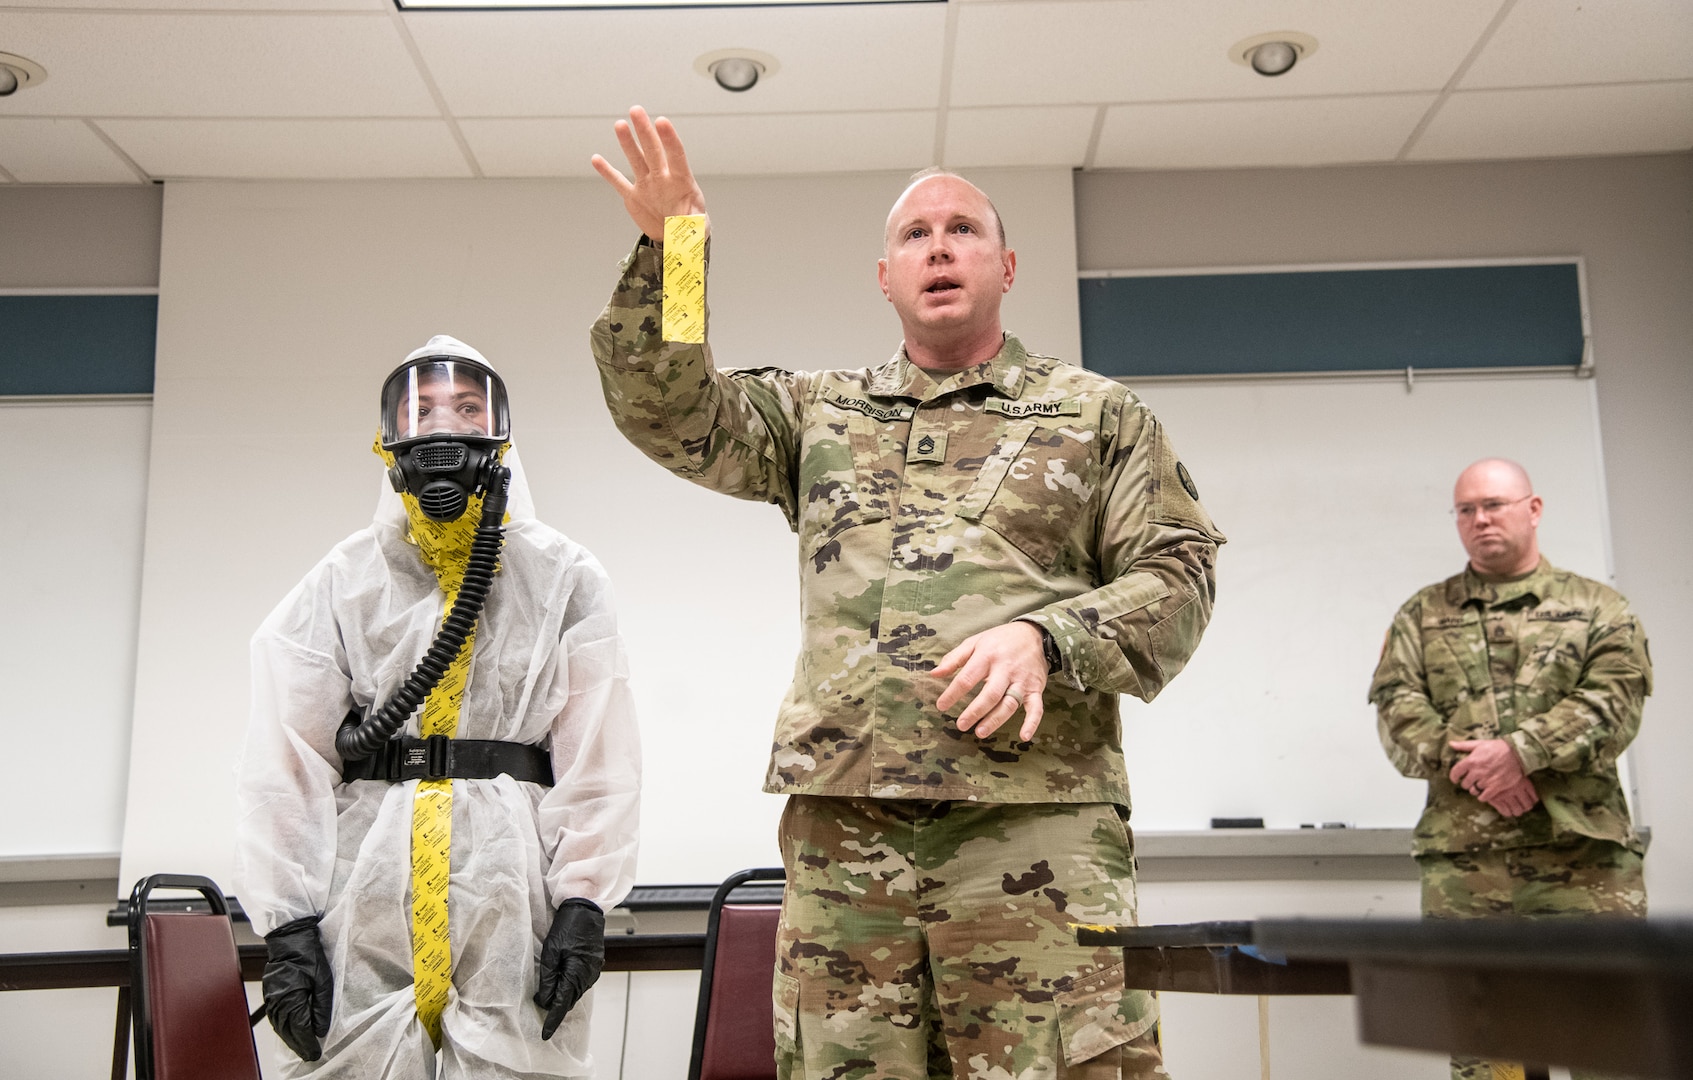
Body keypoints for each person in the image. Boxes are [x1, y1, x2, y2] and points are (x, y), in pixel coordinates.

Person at [588, 108, 1224, 1080]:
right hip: (847, 842)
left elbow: (1178, 577)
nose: (938, 247)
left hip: (1030, 831)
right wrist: (675, 250)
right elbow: (668, 410)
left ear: (1006, 268)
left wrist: (1047, 641)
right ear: (883, 277)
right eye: (913, 235)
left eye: (962, 229)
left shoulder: (1096, 415)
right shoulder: (818, 413)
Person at [235, 336, 641, 1079]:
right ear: (388, 442)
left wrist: (583, 903)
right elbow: (286, 758)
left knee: (517, 1063)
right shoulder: (345, 578)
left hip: (510, 892)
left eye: (465, 407)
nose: (443, 427)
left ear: (499, 436)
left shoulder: (563, 575)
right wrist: (287, 924)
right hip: (367, 889)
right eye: (419, 413)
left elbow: (597, 755)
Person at [1369, 457, 1652, 1080]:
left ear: (1534, 508)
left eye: (1493, 504)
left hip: (1586, 862)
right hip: (1468, 873)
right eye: (1466, 509)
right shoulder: (1420, 616)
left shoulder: (1600, 608)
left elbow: (1614, 704)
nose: (1479, 520)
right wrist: (1480, 767)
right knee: (1485, 1050)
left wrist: (1522, 753)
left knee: (1609, 1041)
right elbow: (1397, 714)